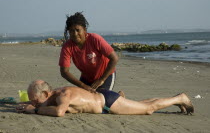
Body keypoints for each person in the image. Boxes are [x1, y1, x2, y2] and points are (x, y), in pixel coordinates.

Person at [16, 80, 194, 117]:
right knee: (142, 104)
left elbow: (60, 112)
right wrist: (26, 105)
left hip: (108, 103)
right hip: (106, 99)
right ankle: (175, 99)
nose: (33, 102)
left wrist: (36, 110)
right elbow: (46, 104)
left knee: (148, 109)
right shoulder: (52, 95)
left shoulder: (64, 95)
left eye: (34, 99)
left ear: (46, 94)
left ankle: (180, 97)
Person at [59, 12, 119, 93]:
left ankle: (119, 96)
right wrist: (83, 86)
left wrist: (102, 79)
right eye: (72, 31)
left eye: (78, 30)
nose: (75, 34)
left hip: (105, 75)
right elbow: (64, 72)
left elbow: (114, 58)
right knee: (82, 102)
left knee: (101, 100)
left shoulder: (95, 39)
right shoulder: (67, 47)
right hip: (86, 78)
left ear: (84, 30)